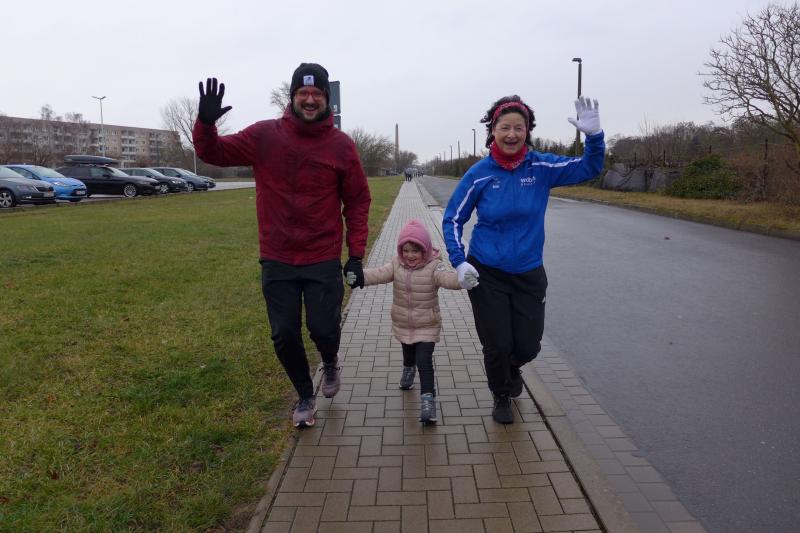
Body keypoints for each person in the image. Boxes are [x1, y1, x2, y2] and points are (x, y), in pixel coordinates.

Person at [192, 64, 371, 428]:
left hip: (321, 256)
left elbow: (357, 201)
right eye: (303, 93)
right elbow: (215, 152)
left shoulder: (341, 146)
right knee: (284, 334)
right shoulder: (265, 135)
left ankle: (330, 360)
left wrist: (355, 255)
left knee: (324, 329)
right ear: (293, 97)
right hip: (278, 256)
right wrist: (205, 124)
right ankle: (305, 393)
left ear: (327, 100)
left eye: (317, 94)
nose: (310, 99)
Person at [442, 95, 605, 424]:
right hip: (486, 272)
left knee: (528, 346)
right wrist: (459, 261)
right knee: (497, 344)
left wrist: (595, 137)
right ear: (493, 130)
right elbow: (453, 219)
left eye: (519, 127)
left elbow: (589, 168)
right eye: (505, 127)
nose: (512, 134)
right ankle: (501, 394)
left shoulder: (541, 167)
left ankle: (513, 367)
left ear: (528, 131)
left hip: (528, 272)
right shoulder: (479, 174)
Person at [346, 219, 476, 424]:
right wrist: (360, 277)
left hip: (427, 324)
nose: (409, 255)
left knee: (424, 360)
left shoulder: (434, 266)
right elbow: (379, 273)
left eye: (415, 251)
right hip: (403, 322)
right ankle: (408, 369)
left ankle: (428, 400)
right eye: (405, 250)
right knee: (408, 352)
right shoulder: (396, 264)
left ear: (424, 250)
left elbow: (448, 279)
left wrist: (462, 280)